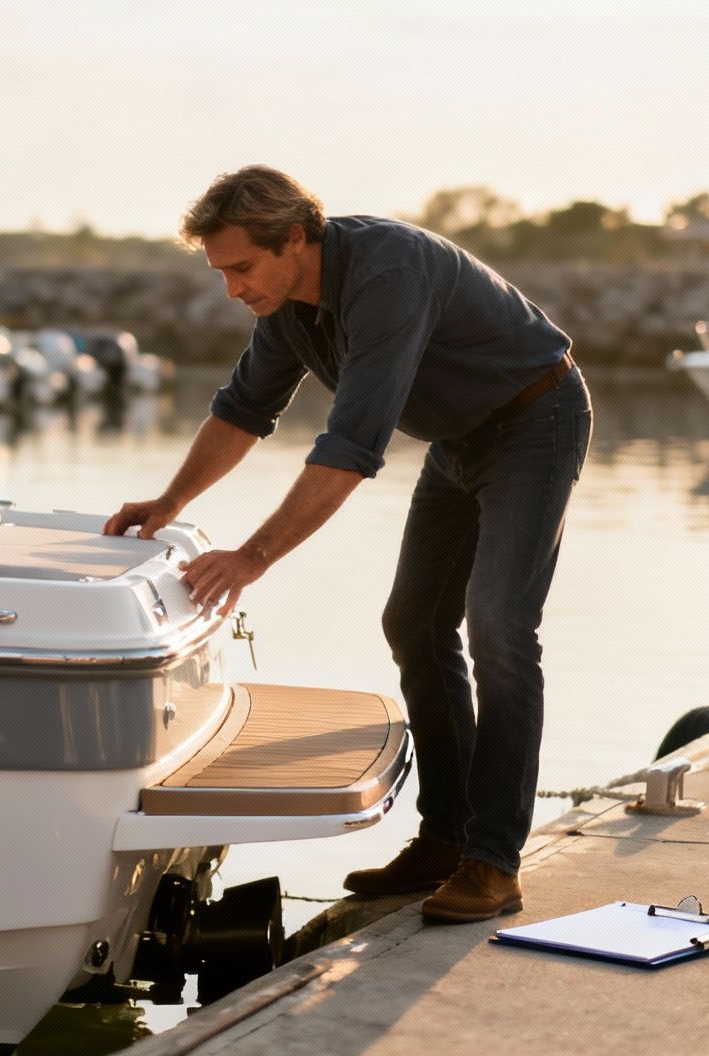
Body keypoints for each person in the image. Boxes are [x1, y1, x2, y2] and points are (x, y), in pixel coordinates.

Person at [103, 166, 590, 924]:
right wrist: (169, 503)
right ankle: (445, 838)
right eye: (221, 271)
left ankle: (493, 863)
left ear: (295, 238)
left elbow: (353, 447)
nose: (232, 289)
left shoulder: (387, 275)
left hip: (536, 420)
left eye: (241, 268)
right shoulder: (292, 306)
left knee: (498, 624)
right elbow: (241, 412)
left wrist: (252, 558)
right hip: (460, 439)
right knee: (415, 624)